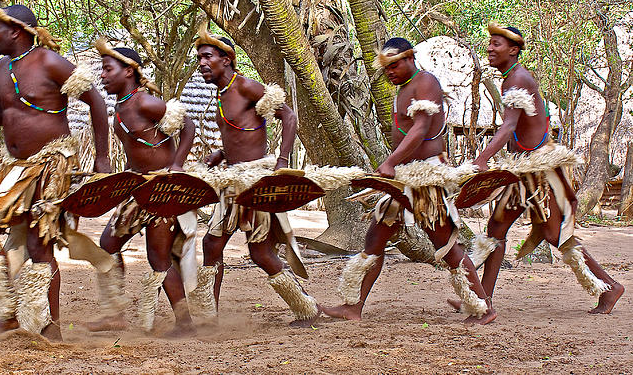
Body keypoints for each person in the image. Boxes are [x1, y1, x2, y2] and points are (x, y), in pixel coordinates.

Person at [326, 38, 496, 324]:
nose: (389, 72)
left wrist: (390, 162)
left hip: (426, 176)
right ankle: (353, 306)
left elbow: (420, 129)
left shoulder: (425, 81)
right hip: (405, 178)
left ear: (409, 59)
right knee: (374, 240)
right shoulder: (402, 90)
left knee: (445, 245)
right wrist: (395, 165)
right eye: (386, 68)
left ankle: (484, 308)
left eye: (394, 65)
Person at [460, 23, 624, 314]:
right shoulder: (510, 78)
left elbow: (509, 126)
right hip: (523, 169)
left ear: (513, 50)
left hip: (539, 170)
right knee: (496, 229)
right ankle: (482, 299)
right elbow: (513, 129)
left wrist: (482, 159)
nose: (489, 48)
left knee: (554, 234)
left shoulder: (518, 79)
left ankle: (609, 287)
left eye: (496, 44)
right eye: (490, 43)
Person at [0, 4, 111, 343]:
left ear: (16, 32)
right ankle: (8, 313)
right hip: (14, 166)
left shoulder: (50, 62)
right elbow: (11, 113)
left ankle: (50, 327)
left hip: (51, 163)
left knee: (39, 246)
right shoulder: (3, 67)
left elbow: (96, 102)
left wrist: (103, 159)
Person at [186, 23, 330, 326]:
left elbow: (288, 115)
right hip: (233, 180)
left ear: (226, 59)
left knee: (260, 252)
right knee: (212, 245)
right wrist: (221, 154)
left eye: (207, 56)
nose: (201, 63)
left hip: (254, 182)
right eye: (199, 57)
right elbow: (243, 135)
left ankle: (306, 308)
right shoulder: (222, 94)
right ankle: (207, 317)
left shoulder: (245, 86)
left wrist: (282, 159)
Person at [84, 39, 197, 336]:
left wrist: (178, 164)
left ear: (129, 72)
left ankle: (185, 322)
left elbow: (188, 125)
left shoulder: (145, 102)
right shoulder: (121, 106)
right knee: (107, 247)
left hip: (162, 189)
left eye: (108, 69)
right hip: (138, 187)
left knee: (159, 258)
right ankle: (115, 314)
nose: (103, 76)